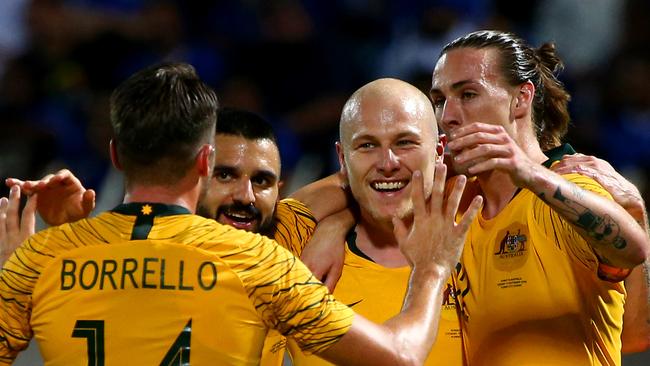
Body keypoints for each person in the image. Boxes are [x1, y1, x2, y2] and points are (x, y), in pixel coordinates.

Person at [0, 62, 481, 365]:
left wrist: (58, 241)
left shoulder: (41, 259)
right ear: (205, 162)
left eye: (263, 181)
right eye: (227, 174)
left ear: (115, 155)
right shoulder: (257, 261)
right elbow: (399, 356)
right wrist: (434, 265)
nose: (245, 197)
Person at [427, 30, 650, 365]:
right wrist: (333, 225)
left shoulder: (572, 185)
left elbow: (632, 248)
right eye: (440, 101)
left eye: (468, 94)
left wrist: (528, 172)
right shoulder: (452, 201)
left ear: (521, 98)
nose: (447, 117)